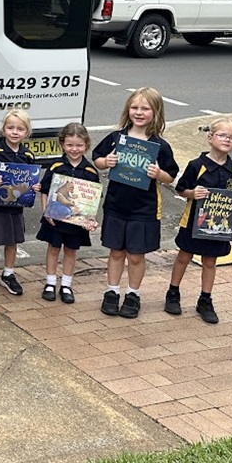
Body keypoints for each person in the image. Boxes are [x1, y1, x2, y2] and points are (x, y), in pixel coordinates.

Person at [93, 87, 179, 319]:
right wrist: (106, 161)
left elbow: (171, 176)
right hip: (116, 204)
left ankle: (133, 294)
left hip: (144, 208)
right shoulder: (116, 139)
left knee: (136, 255)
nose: (138, 113)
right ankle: (112, 291)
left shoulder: (160, 146)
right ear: (127, 109)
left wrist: (158, 173)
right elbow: (96, 159)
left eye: (145, 108)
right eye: (134, 107)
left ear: (156, 112)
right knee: (116, 252)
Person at [164, 119, 232, 324]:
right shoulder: (196, 165)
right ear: (210, 137)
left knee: (210, 261)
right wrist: (193, 193)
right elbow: (180, 189)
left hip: (219, 226)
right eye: (222, 135)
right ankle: (173, 292)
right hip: (193, 222)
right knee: (184, 256)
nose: (227, 140)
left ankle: (205, 299)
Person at [36, 122, 99, 305]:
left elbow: (92, 200)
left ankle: (66, 284)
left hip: (76, 221)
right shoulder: (56, 166)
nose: (74, 149)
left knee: (71, 251)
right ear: (62, 144)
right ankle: (49, 282)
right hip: (55, 218)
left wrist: (91, 219)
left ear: (86, 145)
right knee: (53, 248)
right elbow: (45, 190)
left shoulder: (90, 171)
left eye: (79, 145)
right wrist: (46, 211)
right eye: (70, 145)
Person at [0, 109, 39, 297]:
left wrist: (34, 187)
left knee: (12, 241)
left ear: (26, 132)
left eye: (20, 129)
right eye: (10, 127)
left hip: (16, 207)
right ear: (3, 129)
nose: (14, 132)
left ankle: (8, 273)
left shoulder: (28, 155)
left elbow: (30, 179)